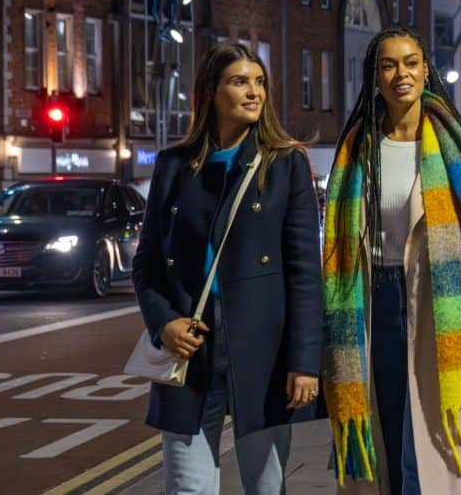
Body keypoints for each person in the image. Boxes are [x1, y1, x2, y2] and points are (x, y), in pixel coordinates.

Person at [321, 27, 461, 494]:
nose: (402, 74)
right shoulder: (357, 148)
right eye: (389, 64)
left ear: (426, 69)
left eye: (412, 62)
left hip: (442, 298)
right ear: (374, 75)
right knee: (390, 434)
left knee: (435, 444)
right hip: (375, 299)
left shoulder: (458, 144)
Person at [131, 42, 323, 494]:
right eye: (239, 82)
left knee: (265, 484)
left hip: (264, 349)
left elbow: (304, 273)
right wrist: (163, 324)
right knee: (187, 486)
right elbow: (147, 265)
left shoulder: (286, 164)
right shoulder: (173, 165)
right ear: (210, 91)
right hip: (191, 350)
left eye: (259, 82)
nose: (254, 92)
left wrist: (304, 362)